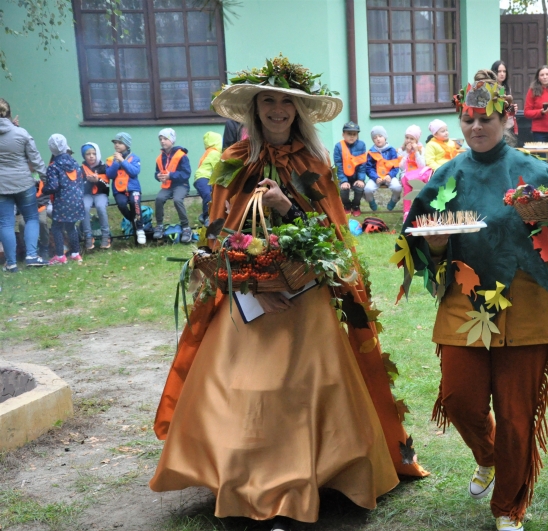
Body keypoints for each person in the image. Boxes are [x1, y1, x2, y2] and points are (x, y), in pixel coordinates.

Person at [149, 56, 426, 531]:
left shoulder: (314, 163)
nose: (277, 110)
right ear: (255, 109)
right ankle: (246, 482)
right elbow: (218, 237)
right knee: (248, 390)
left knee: (303, 389)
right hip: (246, 300)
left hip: (306, 297)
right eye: (268, 101)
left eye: (286, 102)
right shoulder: (234, 162)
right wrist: (249, 290)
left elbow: (331, 235)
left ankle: (312, 477)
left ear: (297, 110)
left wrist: (289, 206)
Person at [397, 72, 548, 531]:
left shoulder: (536, 173)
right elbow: (418, 243)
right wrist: (437, 247)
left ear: (506, 119)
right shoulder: (446, 175)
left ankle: (508, 508)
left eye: (485, 118)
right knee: (459, 399)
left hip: (527, 305)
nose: (476, 127)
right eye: (468, 119)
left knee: (517, 415)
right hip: (467, 303)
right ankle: (489, 456)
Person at [0, 98, 48, 272]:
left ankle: (11, 263)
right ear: (9, 113)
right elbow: (35, 159)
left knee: (5, 224)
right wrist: (45, 178)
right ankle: (32, 256)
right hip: (24, 183)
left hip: (1, 186)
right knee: (32, 218)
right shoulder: (21, 133)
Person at [43, 134, 85, 264]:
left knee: (57, 227)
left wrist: (43, 189)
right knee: (71, 226)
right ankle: (76, 253)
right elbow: (80, 182)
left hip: (62, 201)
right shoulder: (74, 163)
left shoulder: (53, 166)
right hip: (76, 199)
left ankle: (60, 255)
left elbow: (53, 186)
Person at [152, 128, 192, 243]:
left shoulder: (181, 155)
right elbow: (157, 172)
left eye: (165, 138)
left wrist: (171, 176)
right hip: (167, 186)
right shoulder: (160, 157)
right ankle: (159, 226)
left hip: (181, 184)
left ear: (172, 140)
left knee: (177, 200)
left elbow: (186, 173)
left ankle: (186, 228)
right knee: (159, 199)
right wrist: (158, 176)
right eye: (160, 139)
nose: (162, 141)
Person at [106, 132, 145, 245]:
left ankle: (140, 229)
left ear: (127, 145)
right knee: (122, 204)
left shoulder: (134, 158)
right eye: (115, 143)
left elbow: (134, 172)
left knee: (135, 202)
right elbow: (110, 175)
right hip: (119, 191)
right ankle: (134, 221)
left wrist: (123, 161)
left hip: (133, 189)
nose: (117, 145)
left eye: (120, 143)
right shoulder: (111, 159)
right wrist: (116, 162)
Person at [80, 142, 111, 250]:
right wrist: (88, 181)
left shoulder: (103, 167)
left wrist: (98, 181)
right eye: (88, 154)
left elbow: (106, 186)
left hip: (100, 194)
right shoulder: (81, 169)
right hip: (87, 195)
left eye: (94, 153)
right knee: (84, 207)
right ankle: (88, 235)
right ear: (84, 156)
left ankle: (106, 235)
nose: (91, 156)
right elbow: (79, 186)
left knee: (100, 207)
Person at [364, 126, 402, 212]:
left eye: (380, 136)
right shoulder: (371, 152)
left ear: (385, 137)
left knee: (397, 188)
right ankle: (371, 201)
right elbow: (369, 168)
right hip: (376, 177)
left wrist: (390, 175)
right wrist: (375, 177)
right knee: (367, 189)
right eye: (375, 137)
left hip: (389, 177)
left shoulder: (392, 150)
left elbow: (395, 166)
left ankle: (394, 200)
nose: (378, 139)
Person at [333, 121, 367, 216]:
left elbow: (362, 165)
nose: (352, 136)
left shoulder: (361, 145)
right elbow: (338, 166)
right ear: (343, 134)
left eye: (354, 134)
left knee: (360, 189)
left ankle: (356, 206)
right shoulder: (338, 146)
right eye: (349, 134)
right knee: (343, 190)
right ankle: (347, 206)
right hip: (344, 177)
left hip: (356, 177)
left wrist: (360, 179)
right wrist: (343, 181)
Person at [399, 124, 430, 221]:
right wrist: (407, 154)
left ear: (416, 140)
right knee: (406, 181)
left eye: (411, 139)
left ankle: (421, 211)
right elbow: (401, 167)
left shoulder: (421, 149)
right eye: (407, 137)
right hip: (406, 174)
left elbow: (422, 166)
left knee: (420, 186)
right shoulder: (402, 150)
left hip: (418, 175)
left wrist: (416, 152)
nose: (408, 140)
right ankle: (407, 212)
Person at [194, 131, 222, 226]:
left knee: (210, 196)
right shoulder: (215, 153)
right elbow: (217, 168)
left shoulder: (209, 152)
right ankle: (207, 217)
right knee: (208, 195)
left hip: (201, 178)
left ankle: (205, 216)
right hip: (204, 177)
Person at [491, 60, 518, 134]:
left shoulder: (507, 87)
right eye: (499, 71)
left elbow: (506, 108)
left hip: (508, 124)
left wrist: (512, 108)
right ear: (494, 72)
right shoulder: (491, 88)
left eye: (504, 71)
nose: (502, 74)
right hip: (495, 123)